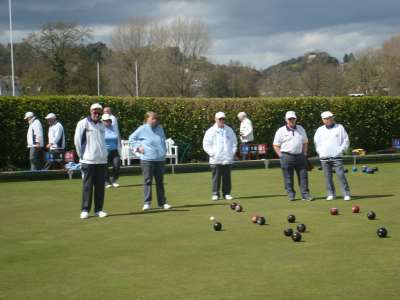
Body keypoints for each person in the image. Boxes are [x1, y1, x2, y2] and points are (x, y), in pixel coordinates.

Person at [129, 112, 172, 211]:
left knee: (160, 182)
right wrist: (138, 147)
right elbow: (131, 139)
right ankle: (147, 203)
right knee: (148, 181)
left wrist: (164, 152)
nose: (155, 120)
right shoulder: (142, 128)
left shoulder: (160, 128)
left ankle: (162, 203)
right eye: (153, 119)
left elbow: (162, 140)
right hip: (147, 159)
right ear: (147, 119)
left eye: (156, 118)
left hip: (160, 159)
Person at [74, 103, 108, 219]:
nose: (97, 114)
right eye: (95, 111)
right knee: (87, 186)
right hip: (88, 161)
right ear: (90, 111)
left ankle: (98, 210)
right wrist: (82, 156)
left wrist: (104, 155)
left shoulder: (102, 125)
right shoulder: (83, 123)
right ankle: (85, 210)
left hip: (101, 161)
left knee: (100, 187)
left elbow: (103, 142)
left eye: (99, 112)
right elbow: (77, 141)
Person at [273, 111, 312, 201]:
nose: (291, 120)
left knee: (303, 176)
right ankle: (291, 194)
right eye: (290, 119)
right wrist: (280, 155)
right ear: (286, 119)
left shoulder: (301, 128)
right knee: (288, 177)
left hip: (300, 156)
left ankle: (305, 194)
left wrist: (305, 153)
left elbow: (305, 142)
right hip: (286, 156)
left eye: (293, 119)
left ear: (295, 119)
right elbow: (275, 145)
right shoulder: (281, 130)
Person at [314, 111, 351, 201]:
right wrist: (320, 152)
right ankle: (331, 193)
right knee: (327, 176)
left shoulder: (340, 127)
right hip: (324, 157)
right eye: (326, 118)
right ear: (322, 120)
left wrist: (341, 151)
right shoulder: (320, 130)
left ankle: (346, 193)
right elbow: (316, 143)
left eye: (330, 118)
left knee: (341, 175)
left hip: (336, 157)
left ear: (332, 118)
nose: (328, 120)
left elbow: (345, 140)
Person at [203, 111, 237, 201]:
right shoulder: (210, 131)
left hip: (227, 158)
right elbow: (206, 144)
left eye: (223, 119)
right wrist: (213, 153)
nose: (222, 120)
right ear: (215, 119)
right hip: (216, 158)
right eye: (220, 119)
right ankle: (215, 194)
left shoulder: (229, 130)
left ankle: (227, 193)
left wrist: (232, 153)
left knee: (227, 177)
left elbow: (234, 142)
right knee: (216, 178)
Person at [102, 113, 121, 188]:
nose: (107, 122)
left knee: (117, 165)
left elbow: (118, 138)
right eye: (106, 121)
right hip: (105, 151)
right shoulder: (101, 129)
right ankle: (107, 182)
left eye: (109, 120)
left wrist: (119, 149)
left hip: (115, 150)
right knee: (105, 167)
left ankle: (114, 180)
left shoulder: (114, 128)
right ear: (103, 121)